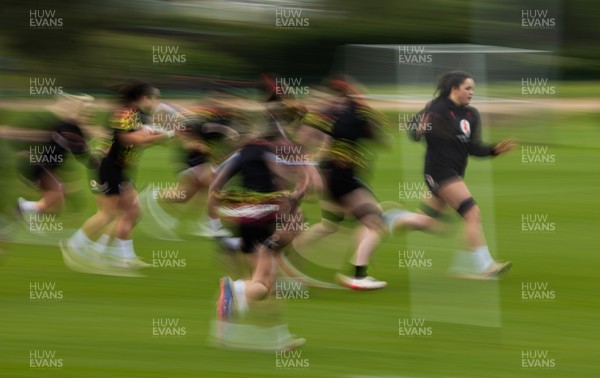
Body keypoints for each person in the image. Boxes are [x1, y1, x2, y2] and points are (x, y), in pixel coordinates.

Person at [387, 70, 515, 279]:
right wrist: (418, 130)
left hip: (453, 172)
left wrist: (493, 150)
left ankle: (392, 218)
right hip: (439, 171)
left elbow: (473, 148)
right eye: (468, 88)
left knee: (430, 223)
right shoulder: (436, 108)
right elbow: (413, 130)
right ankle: (486, 266)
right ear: (454, 90)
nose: (472, 92)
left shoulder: (472, 115)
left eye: (472, 88)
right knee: (472, 213)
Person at [62, 81, 177, 274]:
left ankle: (124, 258)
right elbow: (130, 139)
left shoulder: (138, 114)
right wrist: (165, 136)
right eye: (155, 97)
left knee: (132, 211)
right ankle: (73, 246)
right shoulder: (126, 113)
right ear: (144, 98)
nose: (157, 101)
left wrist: (163, 133)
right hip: (108, 168)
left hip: (120, 169)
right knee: (107, 214)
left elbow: (143, 134)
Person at [292, 78, 393, 290]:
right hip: (343, 177)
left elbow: (304, 143)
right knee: (376, 222)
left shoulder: (325, 115)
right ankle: (358, 275)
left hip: (329, 175)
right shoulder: (356, 113)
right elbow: (383, 140)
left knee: (330, 225)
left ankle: (291, 249)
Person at [16, 94, 96, 221]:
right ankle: (23, 207)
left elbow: (79, 147)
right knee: (57, 193)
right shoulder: (71, 129)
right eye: (88, 115)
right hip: (44, 167)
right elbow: (81, 154)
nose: (89, 118)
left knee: (56, 202)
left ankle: (28, 217)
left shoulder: (69, 127)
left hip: (46, 167)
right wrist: (98, 163)